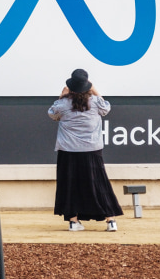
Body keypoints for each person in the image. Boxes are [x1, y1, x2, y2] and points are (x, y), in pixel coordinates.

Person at [48, 69, 123, 232]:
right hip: (92, 150)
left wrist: (62, 96)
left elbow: (52, 114)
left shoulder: (63, 105)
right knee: (99, 184)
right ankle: (111, 221)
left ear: (71, 87)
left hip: (68, 151)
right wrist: (94, 89)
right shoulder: (96, 102)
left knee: (69, 185)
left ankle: (73, 222)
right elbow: (106, 108)